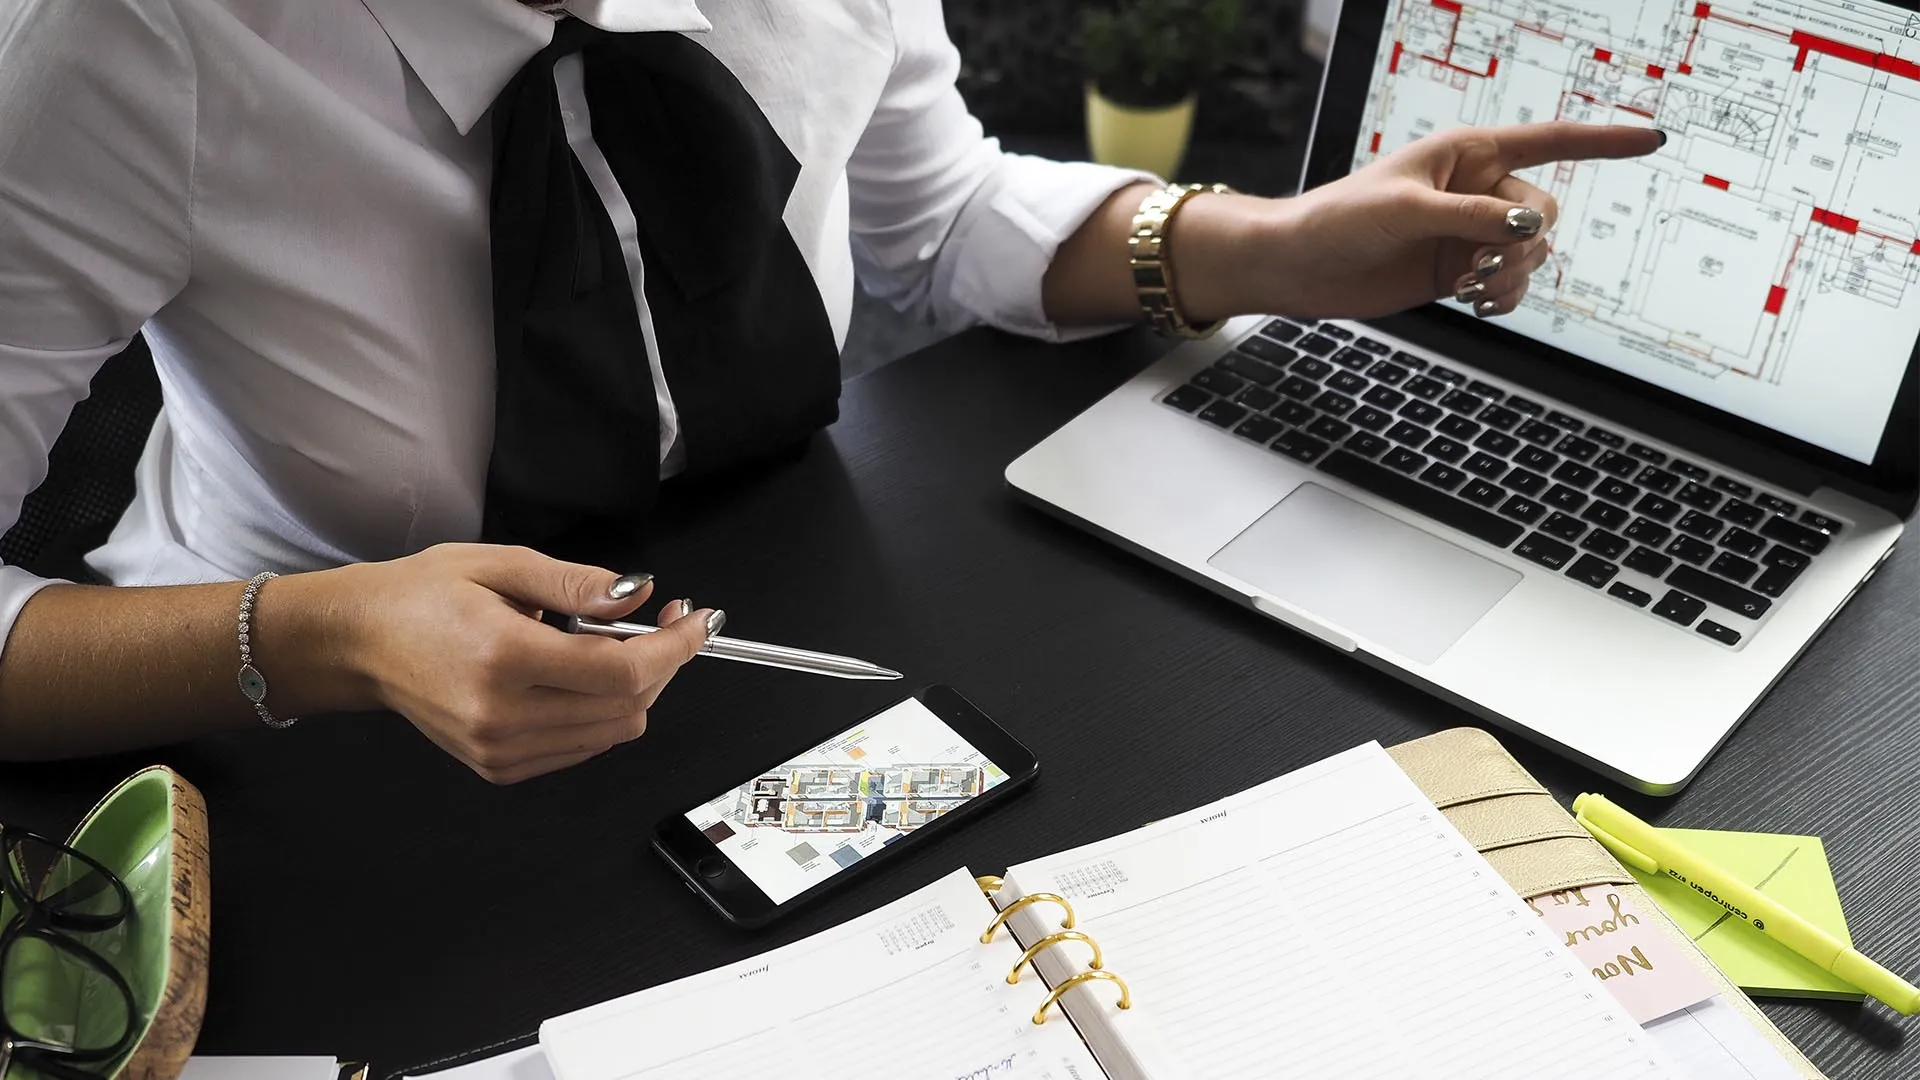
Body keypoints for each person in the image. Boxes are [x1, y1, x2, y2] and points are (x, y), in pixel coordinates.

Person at [0, 0, 1661, 784]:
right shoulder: (120, 38)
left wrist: (1267, 247)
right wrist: (330, 636)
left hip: (785, 609)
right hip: (318, 745)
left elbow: (930, 214)